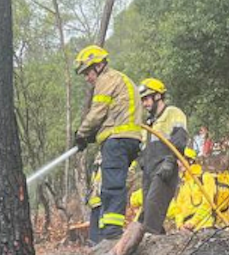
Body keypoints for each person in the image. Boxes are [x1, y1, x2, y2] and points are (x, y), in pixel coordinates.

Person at [72, 45, 142, 243]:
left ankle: (111, 232)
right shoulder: (121, 79)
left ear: (99, 65)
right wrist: (95, 136)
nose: (87, 78)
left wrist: (81, 133)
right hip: (129, 139)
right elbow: (114, 114)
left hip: (117, 141)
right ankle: (107, 231)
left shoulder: (106, 80)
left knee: (111, 185)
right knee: (113, 182)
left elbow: (98, 112)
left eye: (88, 72)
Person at [136, 77, 189, 234]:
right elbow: (144, 147)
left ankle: (150, 239)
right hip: (149, 172)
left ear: (157, 96)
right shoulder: (149, 123)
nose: (145, 104)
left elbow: (179, 140)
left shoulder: (173, 113)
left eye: (146, 99)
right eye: (142, 100)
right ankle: (157, 238)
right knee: (147, 210)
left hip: (165, 169)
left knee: (153, 205)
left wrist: (170, 161)